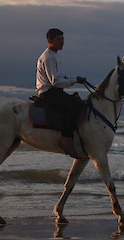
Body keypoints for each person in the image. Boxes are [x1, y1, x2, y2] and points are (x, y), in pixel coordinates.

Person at [36, 28, 88, 156]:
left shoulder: (55, 55)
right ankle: (66, 139)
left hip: (55, 91)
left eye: (63, 39)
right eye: (59, 39)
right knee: (74, 105)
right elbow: (55, 81)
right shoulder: (48, 57)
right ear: (50, 40)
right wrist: (74, 80)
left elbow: (59, 78)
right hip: (49, 92)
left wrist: (73, 80)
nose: (62, 42)